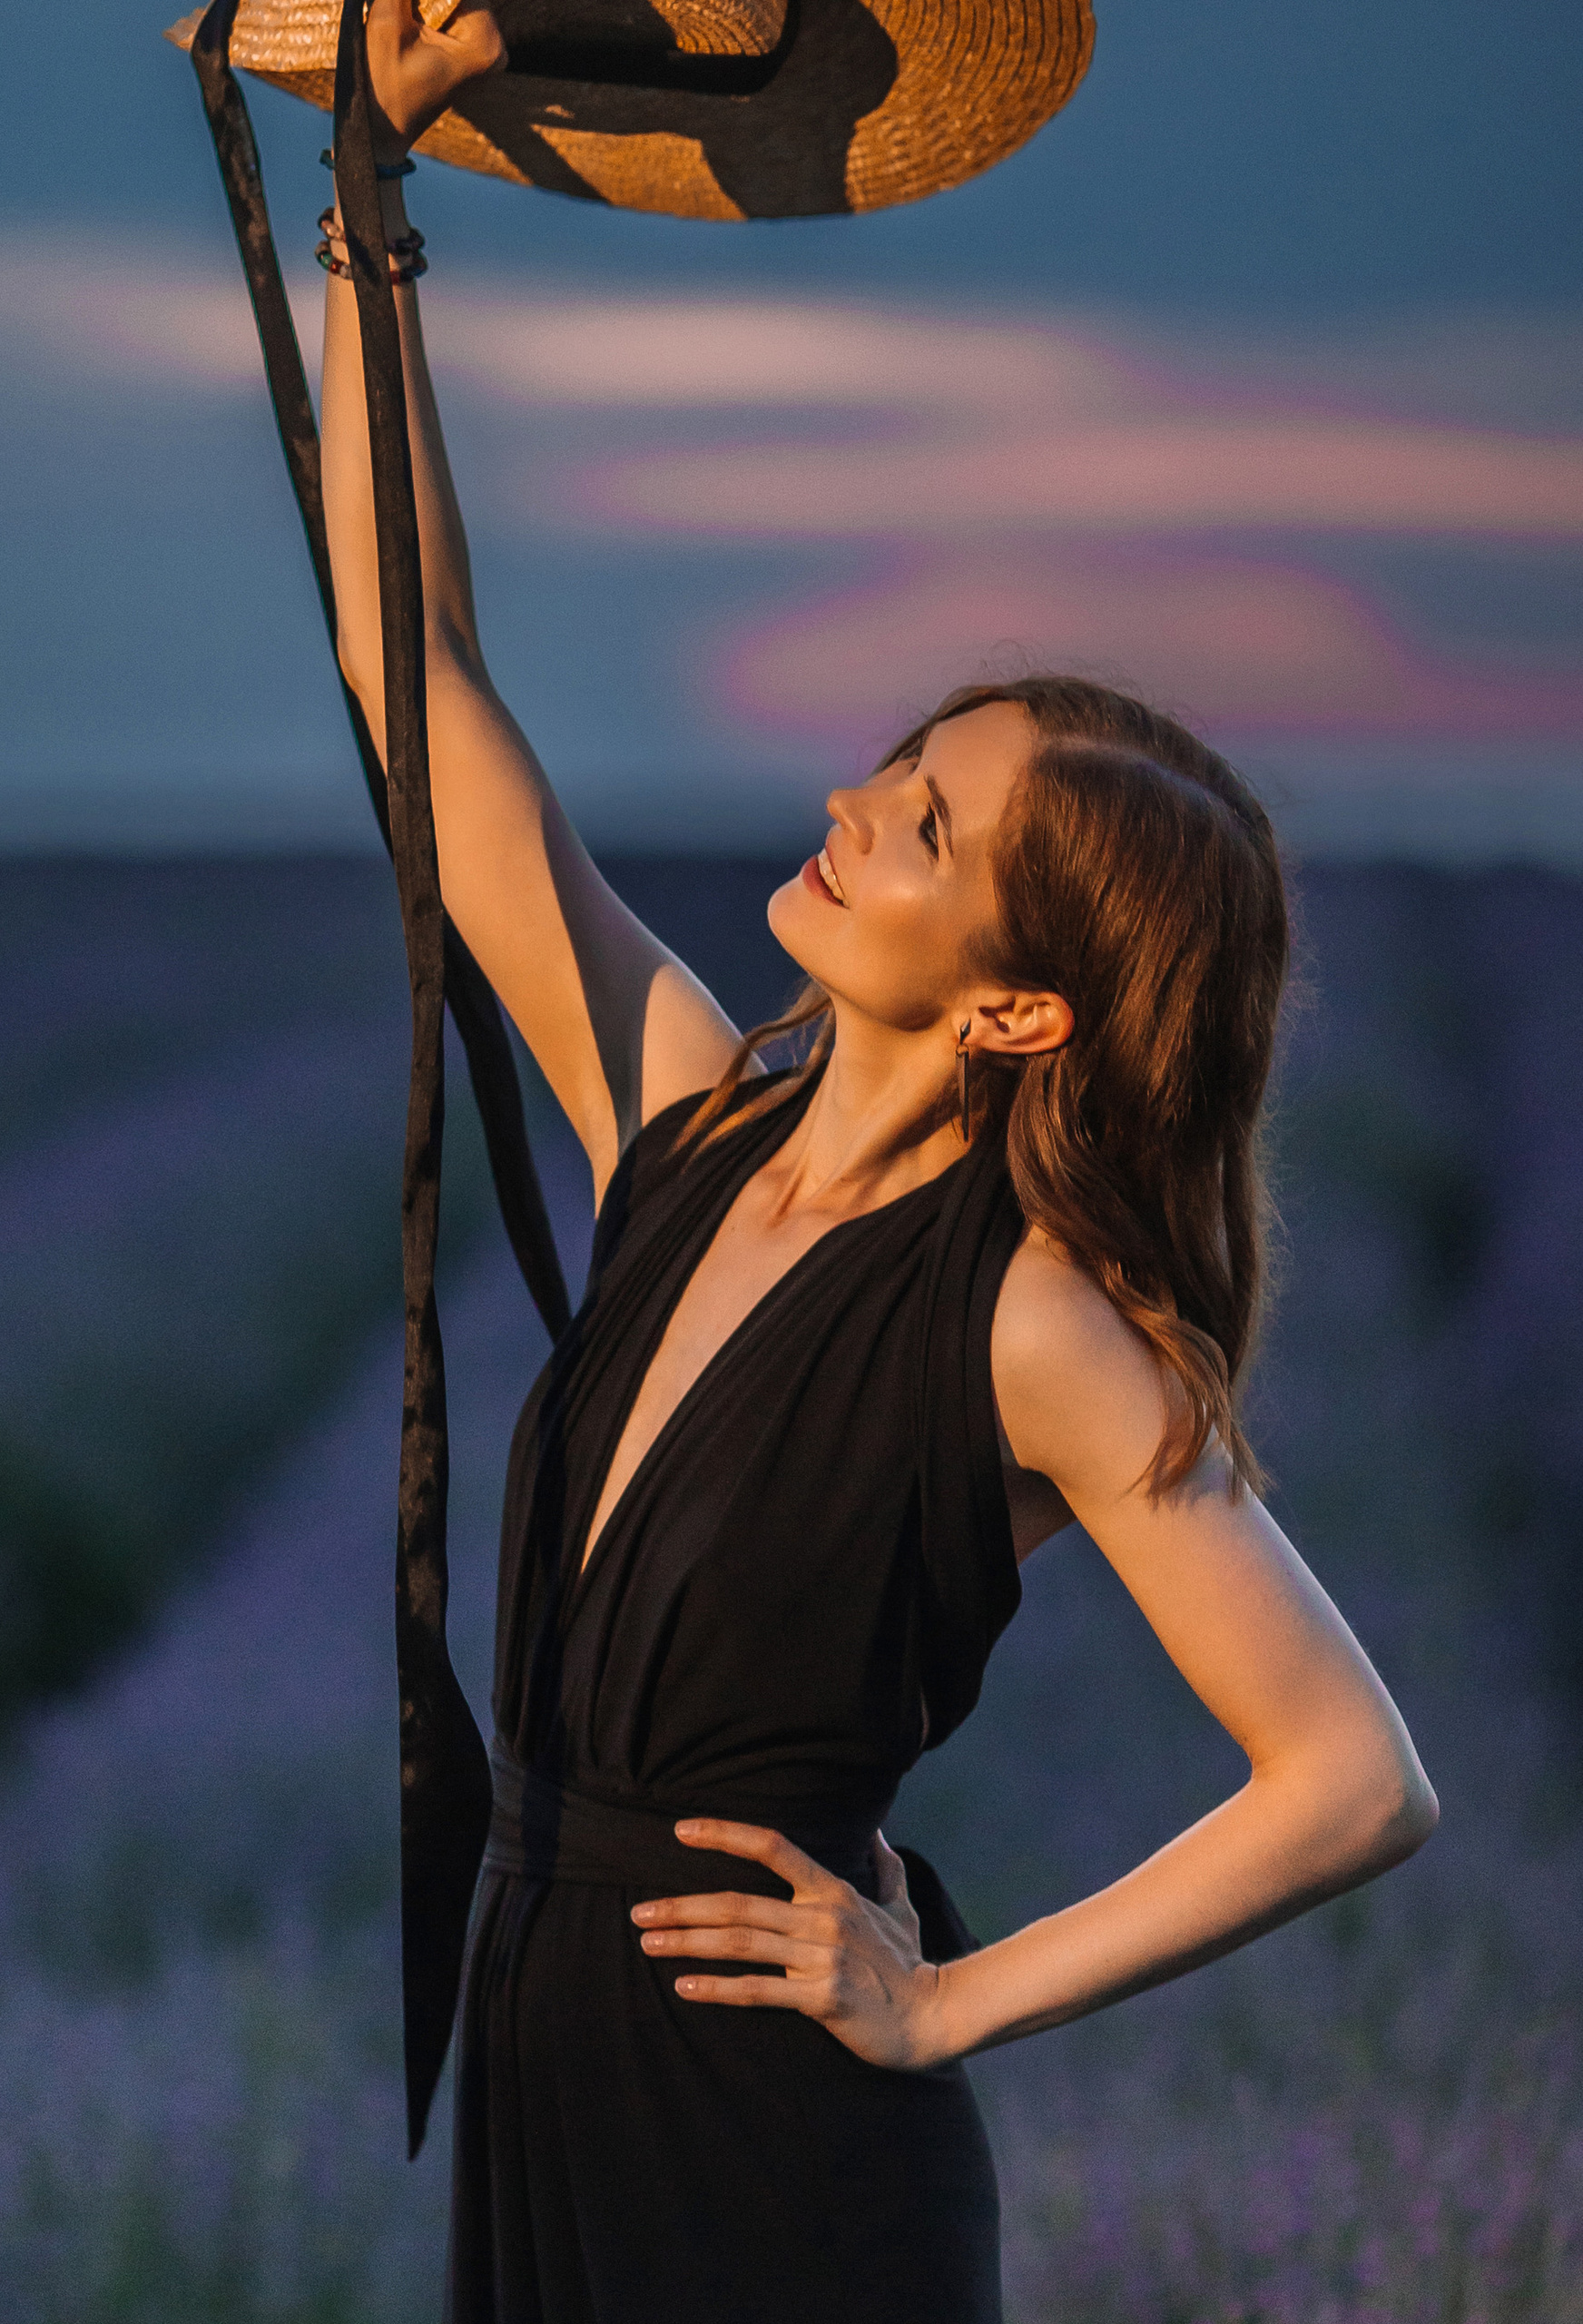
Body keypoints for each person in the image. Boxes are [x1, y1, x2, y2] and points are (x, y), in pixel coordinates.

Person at [315, 4, 1440, 2315]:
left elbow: (1350, 1775)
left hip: (774, 2152)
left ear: (1018, 1002)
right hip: (547, 2044)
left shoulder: (1032, 1320)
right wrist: (372, 215)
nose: (849, 804)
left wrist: (941, 1995)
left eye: (923, 824)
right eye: (896, 759)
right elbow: (411, 673)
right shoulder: (684, 1107)